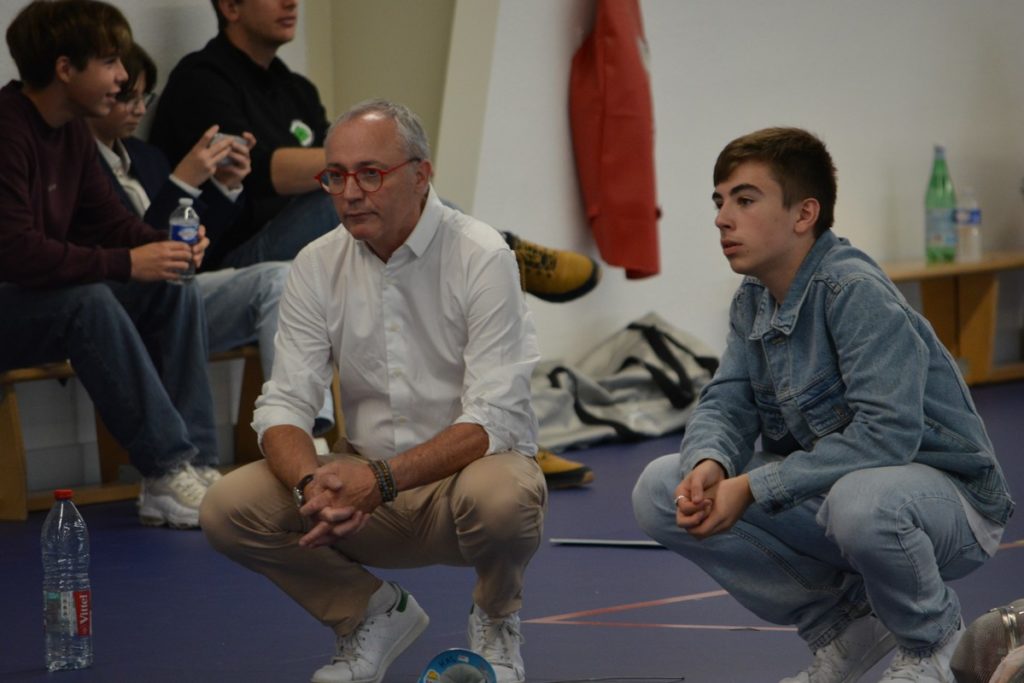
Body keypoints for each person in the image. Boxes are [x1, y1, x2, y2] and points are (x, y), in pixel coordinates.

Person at [150, 0, 598, 486]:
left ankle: (494, 428)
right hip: (234, 257)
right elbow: (263, 172)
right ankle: (508, 250)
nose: (291, 1)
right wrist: (366, 166)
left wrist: (373, 166)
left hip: (304, 245)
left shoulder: (294, 88)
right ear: (231, 6)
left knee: (395, 197)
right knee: (357, 192)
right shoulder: (202, 80)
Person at [631, 127, 1014, 683]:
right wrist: (710, 462)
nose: (722, 219)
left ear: (804, 214)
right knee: (662, 488)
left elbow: (886, 437)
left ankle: (932, 643)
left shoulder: (854, 292)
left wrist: (753, 486)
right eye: (719, 202)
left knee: (862, 501)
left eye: (745, 200)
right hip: (838, 494)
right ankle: (846, 623)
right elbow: (728, 401)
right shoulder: (753, 299)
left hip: (951, 505)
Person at [199, 99, 546, 683]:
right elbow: (285, 404)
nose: (350, 193)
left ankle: (495, 618)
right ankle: (370, 613)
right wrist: (310, 485)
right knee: (225, 508)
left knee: (505, 498)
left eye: (370, 174)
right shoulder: (316, 263)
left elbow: (494, 418)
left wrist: (380, 481)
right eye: (336, 176)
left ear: (421, 175)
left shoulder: (482, 254)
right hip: (363, 488)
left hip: (461, 485)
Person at [0, 0, 221, 529]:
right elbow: (15, 251)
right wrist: (127, 262)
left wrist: (166, 249)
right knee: (89, 300)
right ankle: (165, 470)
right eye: (109, 62)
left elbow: (110, 223)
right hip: (11, 303)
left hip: (36, 303)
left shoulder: (73, 131)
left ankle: (195, 463)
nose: (123, 77)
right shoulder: (7, 129)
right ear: (64, 68)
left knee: (173, 282)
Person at [85, 41, 338, 433]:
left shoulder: (146, 156)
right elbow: (136, 245)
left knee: (284, 279)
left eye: (144, 98)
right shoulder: (79, 162)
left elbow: (195, 237)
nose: (138, 109)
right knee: (283, 271)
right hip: (127, 301)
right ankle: (291, 432)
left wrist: (224, 186)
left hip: (184, 289)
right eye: (127, 98)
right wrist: (184, 181)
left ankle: (305, 428)